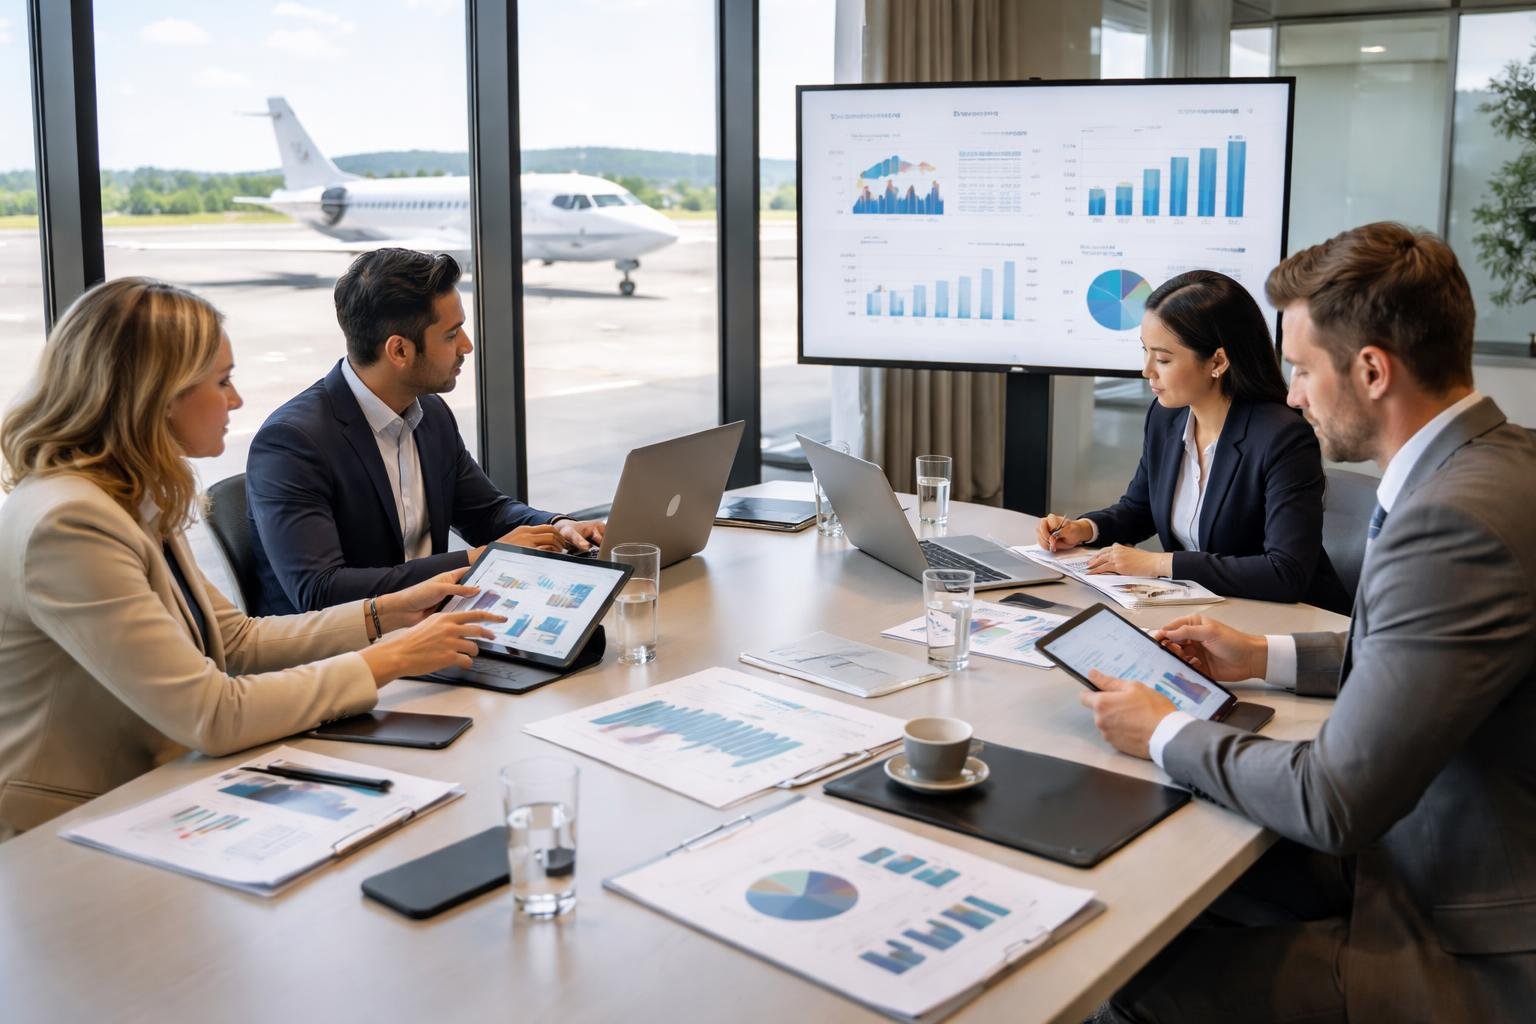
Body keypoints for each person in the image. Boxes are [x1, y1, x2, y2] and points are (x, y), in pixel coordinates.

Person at [1080, 224, 1536, 1021]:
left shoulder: (1450, 522)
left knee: (1125, 976)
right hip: (1427, 841)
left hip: (1461, 929)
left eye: (1300, 368)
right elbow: (1422, 651)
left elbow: (1334, 800)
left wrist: (1161, 732)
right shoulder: (1503, 462)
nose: (1289, 392)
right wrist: (1263, 653)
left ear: (1370, 370)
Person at [0, 279, 502, 840]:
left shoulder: (123, 497)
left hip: (152, 798)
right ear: (156, 395)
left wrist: (386, 613)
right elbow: (213, 714)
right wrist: (390, 658)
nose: (236, 400)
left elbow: (234, 643)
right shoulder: (69, 523)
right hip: (68, 829)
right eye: (222, 381)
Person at [244, 248, 605, 616]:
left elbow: (487, 513)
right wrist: (476, 559)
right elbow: (321, 591)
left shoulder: (428, 412)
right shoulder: (291, 443)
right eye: (451, 335)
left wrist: (557, 527)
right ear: (399, 350)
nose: (467, 346)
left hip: (429, 630)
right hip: (336, 658)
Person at [1036, 270, 1350, 613]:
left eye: (1164, 358)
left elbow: (1285, 572)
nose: (1146, 371)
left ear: (1217, 361)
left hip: (1292, 622)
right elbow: (1140, 509)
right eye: (1146, 352)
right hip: (1210, 610)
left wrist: (1159, 564)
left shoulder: (1283, 438)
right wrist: (1085, 529)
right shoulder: (1167, 415)